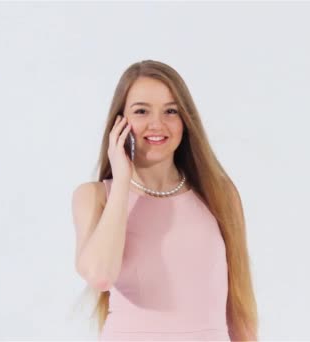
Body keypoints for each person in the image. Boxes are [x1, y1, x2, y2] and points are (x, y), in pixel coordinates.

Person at [71, 60, 258, 341]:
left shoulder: (219, 194)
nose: (157, 124)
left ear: (185, 120)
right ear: (119, 122)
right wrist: (122, 181)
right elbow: (100, 275)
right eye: (141, 111)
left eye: (171, 111)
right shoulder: (96, 196)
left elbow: (238, 307)